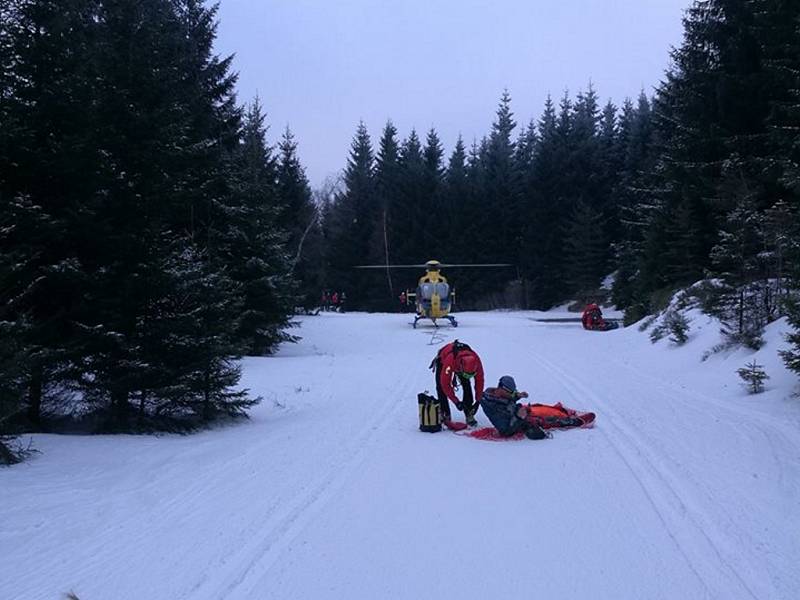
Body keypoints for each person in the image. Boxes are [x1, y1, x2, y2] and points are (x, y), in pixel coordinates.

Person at [430, 340, 484, 428]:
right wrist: (456, 402)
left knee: (467, 385)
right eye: (466, 374)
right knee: (440, 387)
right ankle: (445, 414)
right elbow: (445, 384)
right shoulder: (449, 362)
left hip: (459, 364)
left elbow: (480, 381)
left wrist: (478, 400)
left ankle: (469, 413)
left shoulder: (476, 361)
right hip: (444, 359)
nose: (468, 376)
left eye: (471, 375)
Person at [480, 376, 548, 440]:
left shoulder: (497, 394)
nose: (513, 394)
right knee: (548, 418)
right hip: (515, 421)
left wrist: (517, 396)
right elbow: (505, 431)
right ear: (503, 389)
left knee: (546, 410)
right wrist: (518, 416)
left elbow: (506, 400)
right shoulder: (492, 407)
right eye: (511, 393)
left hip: (518, 411)